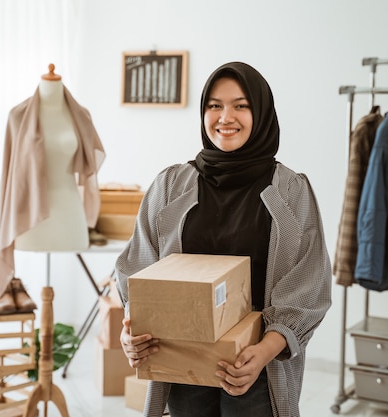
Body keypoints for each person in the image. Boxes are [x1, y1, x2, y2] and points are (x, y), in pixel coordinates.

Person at [114, 62, 332, 417]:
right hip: (180, 366)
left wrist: (262, 352)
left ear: (260, 113)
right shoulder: (170, 186)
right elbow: (137, 266)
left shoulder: (291, 191)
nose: (225, 116)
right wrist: (131, 327)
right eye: (214, 105)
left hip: (259, 370)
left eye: (240, 105)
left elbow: (309, 284)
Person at [0, 64, 105, 298]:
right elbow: (8, 172)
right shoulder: (18, 116)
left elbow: (89, 165)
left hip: (70, 217)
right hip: (30, 223)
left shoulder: (81, 115)